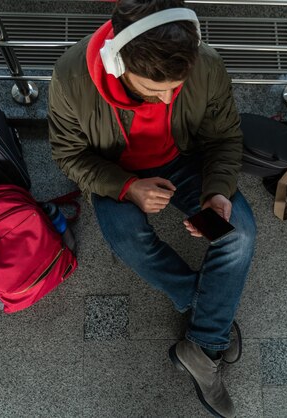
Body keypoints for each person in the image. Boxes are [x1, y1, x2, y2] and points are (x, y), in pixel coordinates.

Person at [48, 0, 256, 416]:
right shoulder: (71, 78)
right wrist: (127, 187)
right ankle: (207, 321)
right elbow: (69, 155)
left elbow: (224, 139)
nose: (164, 100)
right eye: (153, 89)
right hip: (117, 171)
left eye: (174, 89)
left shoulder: (205, 65)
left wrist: (216, 193)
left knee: (240, 235)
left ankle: (204, 343)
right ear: (117, 63)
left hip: (185, 162)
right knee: (128, 237)